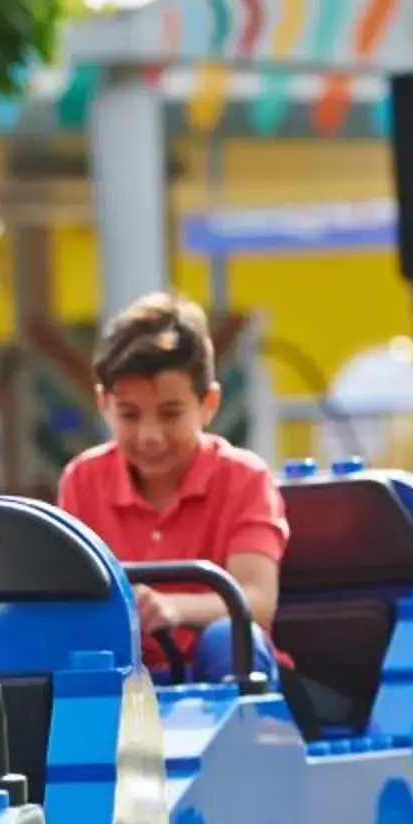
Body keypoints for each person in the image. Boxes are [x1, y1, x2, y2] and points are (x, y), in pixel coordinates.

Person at [54, 290, 289, 685]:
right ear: (103, 404)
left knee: (226, 638)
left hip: (228, 677)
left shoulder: (245, 478)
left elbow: (258, 599)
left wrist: (174, 608)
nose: (150, 436)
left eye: (170, 414)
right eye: (129, 414)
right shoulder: (82, 480)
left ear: (208, 404)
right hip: (129, 682)